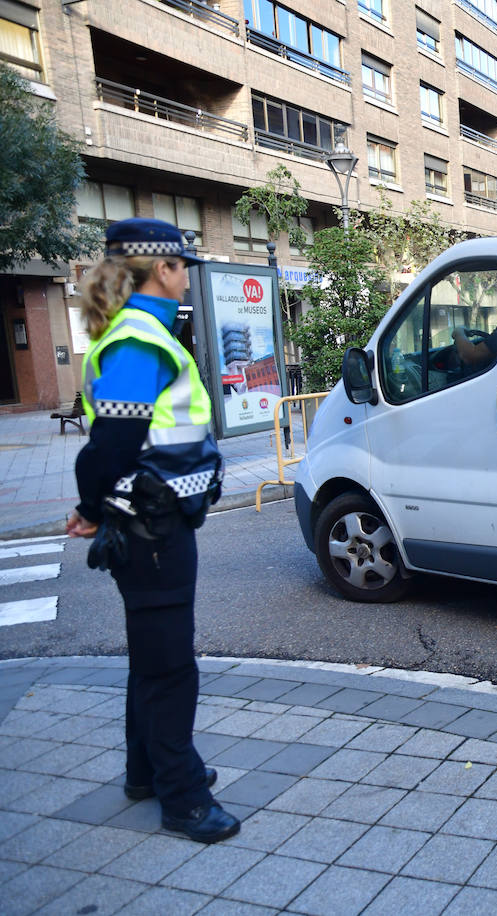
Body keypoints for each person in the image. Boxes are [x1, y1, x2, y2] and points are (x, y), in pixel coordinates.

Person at [67, 218, 238, 844]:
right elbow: (109, 446)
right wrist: (91, 506)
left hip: (151, 524)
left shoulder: (139, 333)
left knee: (151, 656)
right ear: (163, 269)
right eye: (182, 264)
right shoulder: (141, 339)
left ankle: (147, 772)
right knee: (170, 668)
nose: (187, 272)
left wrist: (96, 505)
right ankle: (184, 799)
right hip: (153, 530)